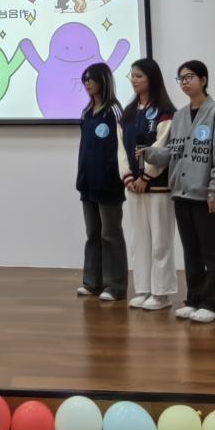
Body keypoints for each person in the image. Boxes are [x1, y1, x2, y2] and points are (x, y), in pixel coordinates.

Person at [143, 60, 215, 323]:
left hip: (205, 196)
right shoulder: (179, 116)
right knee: (191, 251)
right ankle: (194, 299)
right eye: (181, 78)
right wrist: (149, 153)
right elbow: (172, 152)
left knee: (211, 251)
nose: (185, 82)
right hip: (181, 193)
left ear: (203, 79)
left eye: (190, 77)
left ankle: (213, 303)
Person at [117, 59, 176, 311]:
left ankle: (162, 293)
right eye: (132, 75)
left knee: (160, 241)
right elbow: (120, 148)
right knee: (139, 240)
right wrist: (129, 177)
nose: (134, 80)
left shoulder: (165, 111)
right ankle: (143, 288)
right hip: (133, 187)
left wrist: (147, 176)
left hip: (158, 187)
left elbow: (163, 147)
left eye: (139, 75)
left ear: (151, 78)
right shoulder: (128, 112)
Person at [75, 62, 128, 302]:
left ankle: (115, 286)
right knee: (93, 234)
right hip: (88, 184)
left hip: (109, 185)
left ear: (103, 81)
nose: (87, 83)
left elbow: (121, 148)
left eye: (91, 79)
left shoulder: (114, 111)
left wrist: (117, 176)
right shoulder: (87, 112)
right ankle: (92, 282)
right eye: (85, 79)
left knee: (110, 235)